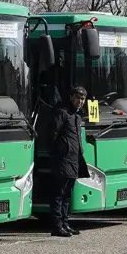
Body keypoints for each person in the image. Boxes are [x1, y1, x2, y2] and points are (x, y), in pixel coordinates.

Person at [47, 86, 90, 237]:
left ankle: (65, 223)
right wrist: (58, 152)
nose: (80, 101)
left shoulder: (76, 116)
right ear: (71, 97)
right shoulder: (62, 112)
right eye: (78, 98)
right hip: (63, 159)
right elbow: (52, 134)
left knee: (67, 194)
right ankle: (57, 226)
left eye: (83, 99)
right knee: (59, 194)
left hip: (73, 159)